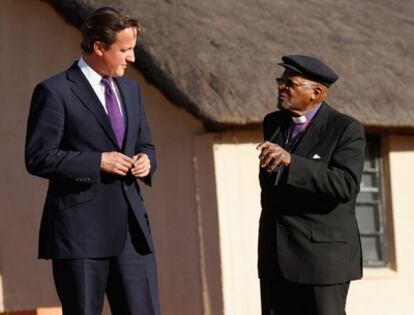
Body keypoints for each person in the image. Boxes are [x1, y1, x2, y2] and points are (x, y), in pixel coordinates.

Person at [25, 7, 160, 315]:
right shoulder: (54, 91)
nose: (132, 58)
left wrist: (146, 161)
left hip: (132, 234)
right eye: (125, 50)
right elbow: (38, 157)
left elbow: (145, 144)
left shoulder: (131, 89)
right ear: (99, 47)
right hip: (80, 236)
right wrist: (98, 161)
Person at [257, 55, 365, 315]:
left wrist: (293, 162)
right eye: (280, 81)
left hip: (322, 261)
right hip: (275, 259)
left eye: (290, 84)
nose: (281, 87)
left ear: (316, 93)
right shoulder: (273, 123)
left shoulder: (345, 129)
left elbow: (345, 185)